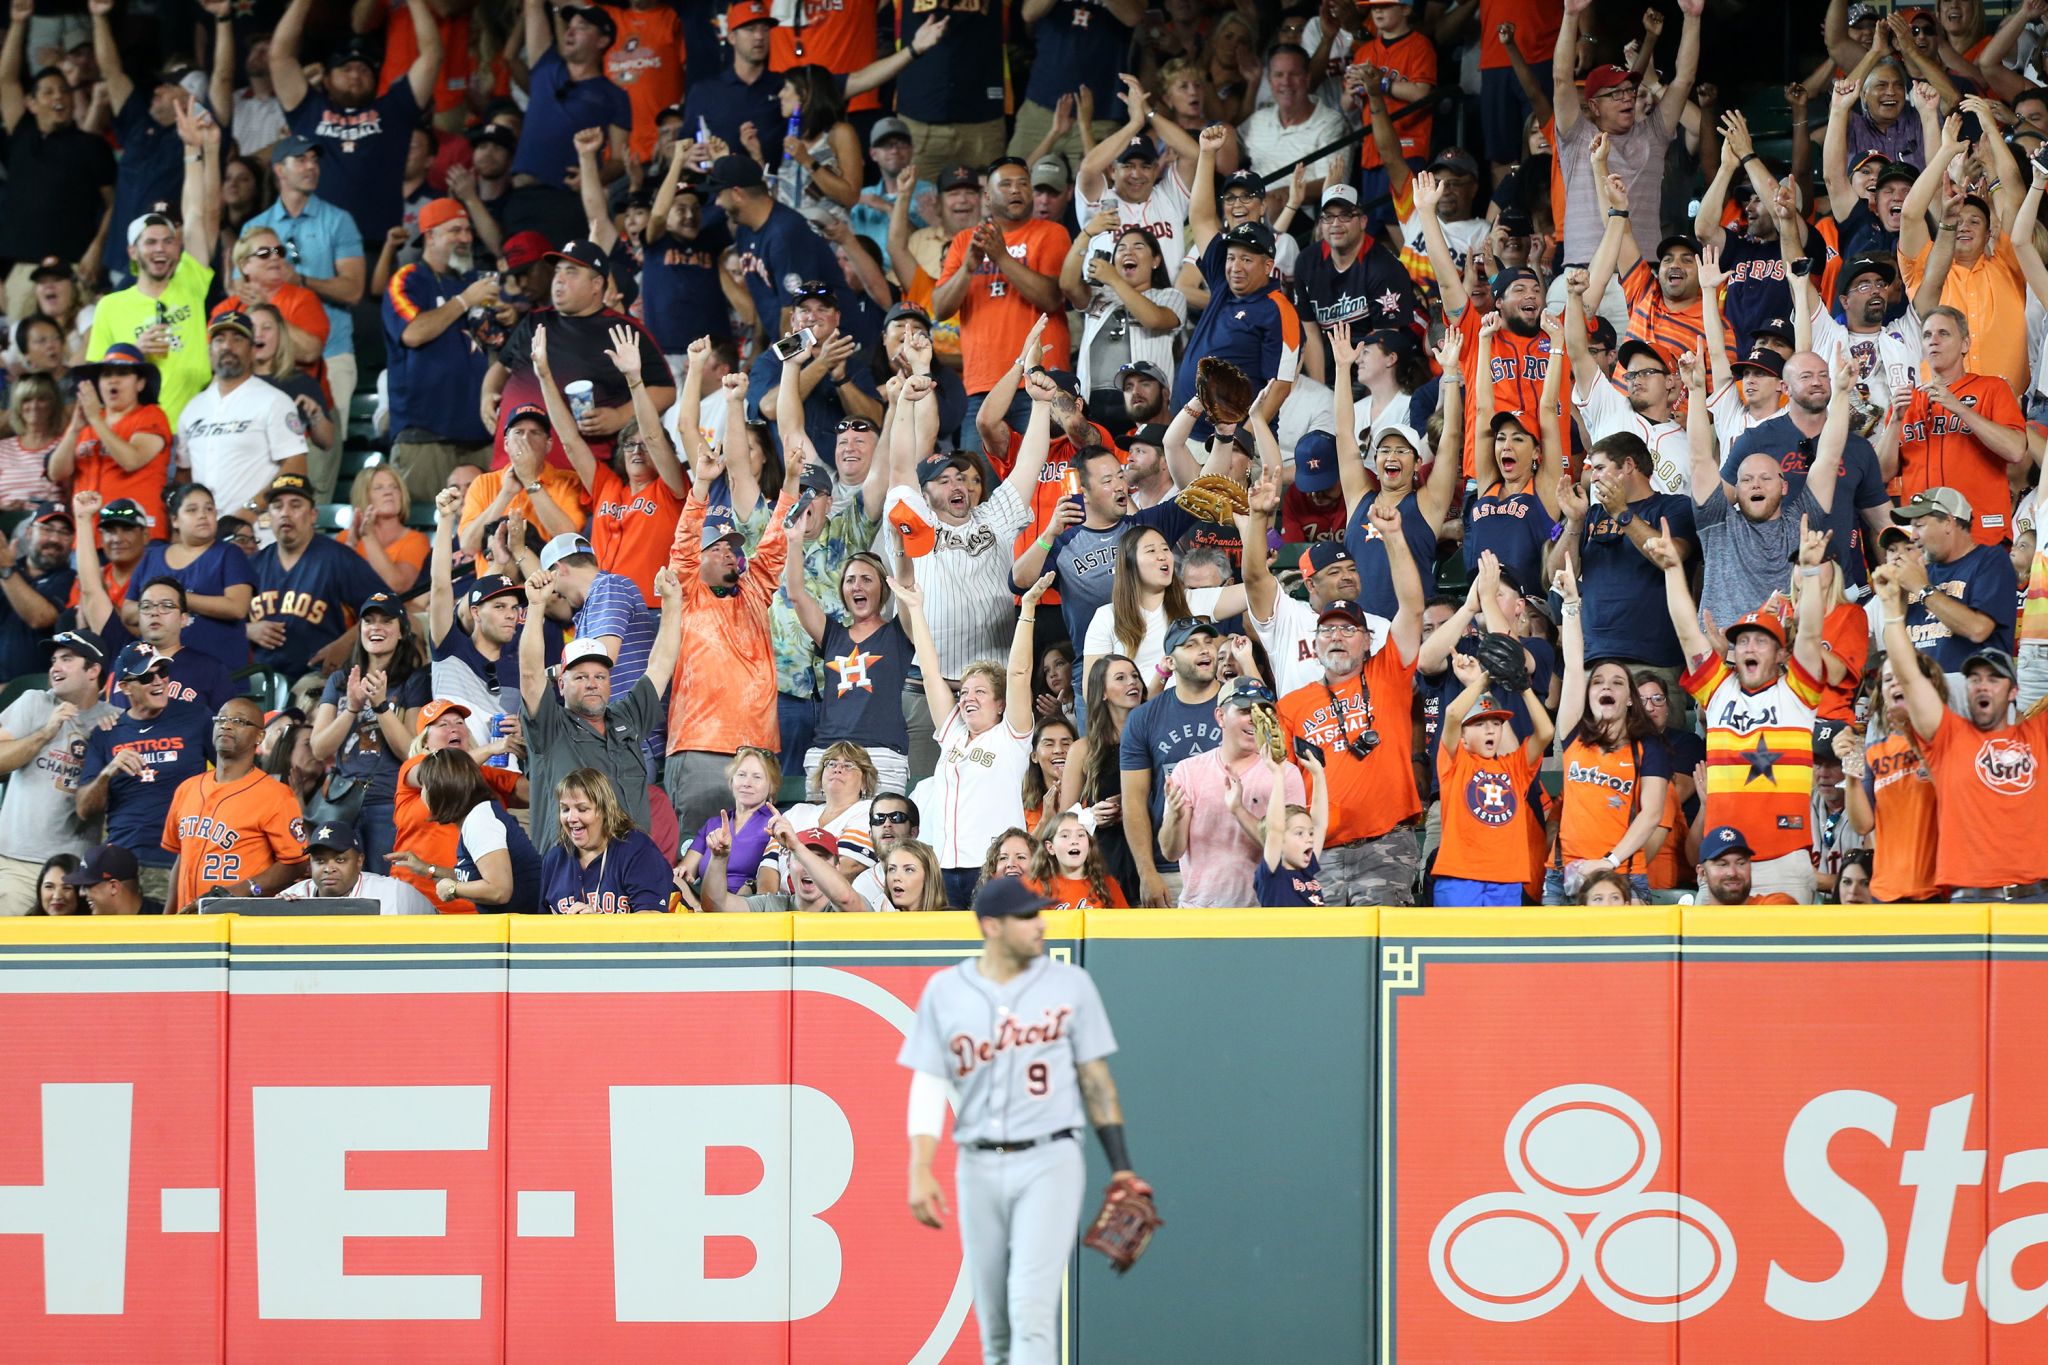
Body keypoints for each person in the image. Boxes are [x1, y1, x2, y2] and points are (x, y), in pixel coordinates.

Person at [900, 875, 1147, 1365]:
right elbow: (928, 1081)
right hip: (977, 1165)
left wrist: (1121, 1165)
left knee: (1031, 1313)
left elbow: (1095, 1079)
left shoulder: (1070, 984)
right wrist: (920, 1167)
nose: (1041, 925)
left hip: (1050, 1158)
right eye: (1028, 917)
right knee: (996, 1331)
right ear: (992, 926)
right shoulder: (946, 991)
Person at [1652, 512, 1833, 902]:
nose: (1749, 647)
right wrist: (1671, 569)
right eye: (1743, 640)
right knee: (1709, 964)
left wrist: (1812, 572)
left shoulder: (1798, 692)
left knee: (1783, 964)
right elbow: (1687, 629)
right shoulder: (1718, 689)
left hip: (1785, 859)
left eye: (1761, 640)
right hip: (1721, 859)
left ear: (1782, 652)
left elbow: (1813, 632)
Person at [1276, 501, 1427, 907]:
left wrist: (1393, 538)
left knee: (1377, 947)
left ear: (1367, 639)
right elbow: (1284, 787)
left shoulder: (1388, 674)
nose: (1337, 637)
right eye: (1328, 631)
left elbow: (1412, 608)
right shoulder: (1290, 706)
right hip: (1318, 850)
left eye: (1348, 629)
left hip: (1384, 846)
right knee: (1323, 958)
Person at [895, 569, 1043, 908]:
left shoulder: (1011, 736)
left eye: (979, 691)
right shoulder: (954, 734)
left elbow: (1019, 673)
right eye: (963, 692)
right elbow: (931, 674)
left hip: (991, 866)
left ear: (1000, 703)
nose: (967, 698)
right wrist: (916, 609)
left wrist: (1029, 610)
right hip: (944, 867)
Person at [518, 565, 680, 859]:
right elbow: (530, 674)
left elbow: (660, 666)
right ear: (562, 684)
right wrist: (537, 606)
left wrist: (671, 604)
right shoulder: (549, 726)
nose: (593, 684)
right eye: (580, 677)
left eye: (600, 676)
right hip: (569, 874)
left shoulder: (627, 717)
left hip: (629, 871)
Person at [663, 479, 795, 839]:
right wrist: (702, 485)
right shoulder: (686, 594)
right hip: (701, 746)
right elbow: (684, 544)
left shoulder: (753, 591)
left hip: (759, 750)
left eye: (731, 547)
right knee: (695, 856)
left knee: (755, 858)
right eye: (716, 547)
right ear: (698, 559)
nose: (728, 553)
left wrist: (792, 484)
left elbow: (774, 546)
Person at [85, 101, 220, 426]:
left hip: (197, 428)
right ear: (133, 251)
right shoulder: (111, 306)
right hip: (138, 433)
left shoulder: (190, 279)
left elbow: (198, 213)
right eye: (150, 242)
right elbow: (96, 378)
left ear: (178, 249)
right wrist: (133, 352)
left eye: (168, 241)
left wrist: (192, 151)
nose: (160, 248)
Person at [1547, 560, 1674, 904]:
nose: (1607, 686)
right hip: (1564, 875)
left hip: (1623, 874)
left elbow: (1650, 814)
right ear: (1589, 696)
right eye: (1599, 682)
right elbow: (1574, 668)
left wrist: (1610, 862)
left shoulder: (1650, 748)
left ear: (1630, 700)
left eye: (1618, 682)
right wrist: (1572, 603)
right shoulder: (1574, 734)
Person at [272, 0, 439, 245]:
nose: (355, 75)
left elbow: (432, 54)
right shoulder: (308, 109)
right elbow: (279, 55)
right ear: (326, 80)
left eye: (364, 69)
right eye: (346, 68)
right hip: (316, 244)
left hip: (377, 245)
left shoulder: (395, 110)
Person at [932, 157, 1073, 443]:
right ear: (987, 196)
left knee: (1042, 483)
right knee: (979, 485)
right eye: (1006, 184)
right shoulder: (964, 241)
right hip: (983, 386)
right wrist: (968, 267)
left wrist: (1001, 257)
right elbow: (941, 308)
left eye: (1023, 184)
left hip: (1040, 383)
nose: (1016, 190)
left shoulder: (1052, 233)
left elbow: (1050, 298)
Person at [554, 323, 688, 605]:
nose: (637, 451)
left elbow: (653, 434)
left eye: (646, 446)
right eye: (630, 444)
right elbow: (570, 442)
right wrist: (543, 374)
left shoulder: (672, 489)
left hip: (651, 611)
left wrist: (635, 379)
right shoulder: (608, 486)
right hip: (602, 609)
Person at [76, 642, 216, 906]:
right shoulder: (108, 732)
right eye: (146, 676)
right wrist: (108, 772)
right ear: (125, 686)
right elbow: (84, 809)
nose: (158, 681)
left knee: (170, 943)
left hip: (177, 860)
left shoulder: (197, 717)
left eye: (162, 672)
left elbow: (234, 773)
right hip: (119, 866)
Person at [0, 0, 116, 312]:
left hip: (75, 269)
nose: (58, 98)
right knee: (24, 354)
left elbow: (113, 204)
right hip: (22, 270)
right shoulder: (22, 133)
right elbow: (6, 79)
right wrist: (18, 23)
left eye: (63, 91)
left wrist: (97, 249)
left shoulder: (91, 145)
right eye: (49, 92)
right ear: (31, 103)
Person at [384, 196, 501, 502]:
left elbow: (497, 341)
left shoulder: (477, 281)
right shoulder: (408, 279)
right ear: (430, 235)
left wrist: (508, 317)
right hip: (425, 436)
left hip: (480, 434)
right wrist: (464, 301)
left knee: (487, 529)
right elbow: (413, 333)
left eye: (467, 230)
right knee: (428, 525)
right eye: (455, 231)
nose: (465, 238)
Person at [1880, 305, 2026, 548]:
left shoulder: (1992, 389)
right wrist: (1895, 421)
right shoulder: (1907, 402)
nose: (1933, 341)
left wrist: (1958, 407)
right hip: (1923, 543)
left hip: (1981, 537)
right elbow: (1882, 474)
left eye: (1943, 334)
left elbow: (2015, 450)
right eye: (1927, 335)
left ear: (1965, 344)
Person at [1157, 677, 1305, 908]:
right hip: (1201, 912)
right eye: (1246, 710)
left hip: (1266, 911)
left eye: (1264, 711)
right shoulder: (1188, 770)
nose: (1256, 719)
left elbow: (1289, 854)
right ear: (1220, 716)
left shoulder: (1285, 773)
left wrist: (1238, 810)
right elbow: (1171, 852)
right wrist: (1174, 819)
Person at [307, 592, 428, 871]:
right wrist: (351, 708)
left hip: (388, 801)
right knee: (338, 889)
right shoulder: (340, 680)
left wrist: (381, 706)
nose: (376, 627)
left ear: (402, 632)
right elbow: (319, 748)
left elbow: (411, 751)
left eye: (386, 621)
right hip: (341, 800)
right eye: (369, 621)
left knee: (383, 887)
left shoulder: (414, 681)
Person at [0, 630, 115, 911]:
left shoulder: (114, 720)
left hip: (75, 871)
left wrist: (116, 737)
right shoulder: (34, 702)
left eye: (66, 659)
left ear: (93, 670)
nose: (55, 667)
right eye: (53, 660)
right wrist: (46, 732)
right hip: (16, 863)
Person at [160, 695, 309, 912]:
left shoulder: (276, 795)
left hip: (242, 923)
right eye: (220, 720)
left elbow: (297, 863)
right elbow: (182, 858)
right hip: (189, 923)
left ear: (259, 736)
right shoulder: (186, 789)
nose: (226, 726)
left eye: (239, 721)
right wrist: (168, 917)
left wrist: (246, 888)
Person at [1433, 650, 1557, 906]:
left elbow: (1546, 732)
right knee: (1459, 947)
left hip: (1507, 877)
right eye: (1479, 724)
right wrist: (1485, 678)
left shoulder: (1514, 767)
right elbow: (1454, 713)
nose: (1490, 729)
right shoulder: (1455, 760)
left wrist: (1523, 688)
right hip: (1460, 876)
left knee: (1500, 947)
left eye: (1496, 723)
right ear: (1463, 737)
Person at [1118, 617, 1223, 908]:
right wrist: (1146, 871)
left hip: (1235, 863)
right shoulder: (1144, 718)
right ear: (1170, 662)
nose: (1204, 651)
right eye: (1190, 645)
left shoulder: (1239, 704)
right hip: (1171, 868)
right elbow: (1134, 802)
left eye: (1208, 643)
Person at [389, 699, 529, 911]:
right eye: (442, 724)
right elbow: (439, 774)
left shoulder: (487, 776)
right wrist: (492, 749)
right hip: (415, 901)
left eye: (459, 723)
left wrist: (531, 748)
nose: (453, 728)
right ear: (425, 741)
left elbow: (543, 793)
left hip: (478, 905)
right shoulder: (413, 767)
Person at [247, 473, 389, 681]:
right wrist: (247, 629)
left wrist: (347, 643)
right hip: (261, 679)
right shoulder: (254, 564)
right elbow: (223, 620)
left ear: (313, 515)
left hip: (317, 677)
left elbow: (386, 605)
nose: (285, 513)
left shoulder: (336, 557)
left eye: (295, 505)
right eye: (277, 506)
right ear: (269, 516)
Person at [175, 308, 311, 524]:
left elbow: (296, 464)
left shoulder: (274, 400)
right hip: (205, 534)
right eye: (219, 340)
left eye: (238, 339)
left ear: (252, 350)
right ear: (210, 351)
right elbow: (184, 475)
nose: (227, 347)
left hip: (257, 531)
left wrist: (252, 509)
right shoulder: (192, 409)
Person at [1839, 650, 1945, 903]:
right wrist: (1851, 764)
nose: (1895, 682)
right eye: (1887, 679)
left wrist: (1911, 734)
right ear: (1882, 693)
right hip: (1884, 892)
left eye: (1902, 675)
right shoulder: (1875, 750)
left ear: (1926, 684)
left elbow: (1953, 795)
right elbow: (1863, 825)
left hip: (1935, 890)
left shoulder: (1947, 738)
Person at [47, 341, 172, 533]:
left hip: (138, 535)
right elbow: (57, 473)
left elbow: (131, 460)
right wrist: (74, 430)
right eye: (106, 375)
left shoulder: (152, 415)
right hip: (90, 535)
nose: (113, 380)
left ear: (140, 383)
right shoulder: (87, 422)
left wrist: (96, 419)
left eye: (122, 374)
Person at [1891, 485, 2016, 672]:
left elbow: (1978, 629)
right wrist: (1893, 598)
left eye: (1919, 525)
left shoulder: (1991, 560)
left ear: (1948, 522)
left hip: (1973, 689)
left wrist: (1922, 589)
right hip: (1923, 689)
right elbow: (1896, 648)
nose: (1914, 536)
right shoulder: (1922, 572)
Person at [417, 745, 542, 913]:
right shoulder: (478, 816)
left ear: (441, 788)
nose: (421, 794)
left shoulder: (480, 821)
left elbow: (500, 891)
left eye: (424, 786)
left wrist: (454, 889)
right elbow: (474, 877)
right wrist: (428, 869)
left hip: (526, 933)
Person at [538, 767, 671, 914]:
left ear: (605, 811)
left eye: (582, 809)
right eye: (565, 809)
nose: (571, 818)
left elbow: (652, 920)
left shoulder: (636, 849)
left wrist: (599, 926)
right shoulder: (554, 859)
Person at [699, 811, 867, 913]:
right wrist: (719, 858)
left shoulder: (854, 903)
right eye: (803, 858)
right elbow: (715, 905)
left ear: (837, 868)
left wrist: (798, 849)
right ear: (787, 863)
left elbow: (846, 899)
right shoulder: (771, 905)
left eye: (820, 858)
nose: (810, 867)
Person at [276, 820, 436, 914]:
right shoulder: (291, 898)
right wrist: (276, 911)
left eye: (340, 860)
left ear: (359, 861)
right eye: (320, 861)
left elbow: (435, 922)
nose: (328, 868)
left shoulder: (393, 892)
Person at [0, 503, 76, 678]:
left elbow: (40, 617)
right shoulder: (9, 567)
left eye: (63, 533)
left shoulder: (71, 580)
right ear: (28, 532)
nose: (55, 539)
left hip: (33, 691)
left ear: (72, 540)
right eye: (47, 529)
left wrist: (6, 570)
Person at [1255, 741, 1329, 907]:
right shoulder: (1273, 875)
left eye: (1309, 833)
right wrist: (1278, 776)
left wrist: (1318, 775)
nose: (1309, 839)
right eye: (1299, 833)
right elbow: (1274, 829)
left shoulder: (1307, 869)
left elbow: (1319, 823)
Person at [1026, 809, 1128, 910]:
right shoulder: (1036, 887)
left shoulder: (1108, 885)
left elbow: (1124, 924)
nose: (1074, 841)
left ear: (1089, 844)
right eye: (1065, 835)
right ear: (1050, 847)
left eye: (1080, 835)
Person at [1694, 825, 1800, 906]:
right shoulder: (1692, 923)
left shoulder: (1776, 905)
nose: (1732, 872)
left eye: (1741, 863)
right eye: (1722, 864)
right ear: (1703, 873)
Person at [64, 843, 164, 916]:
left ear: (113, 887)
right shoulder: (90, 926)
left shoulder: (164, 921)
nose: (81, 893)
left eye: (87, 885)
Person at [882, 837, 951, 912]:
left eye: (909, 870)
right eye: (892, 869)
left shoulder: (953, 920)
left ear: (928, 877)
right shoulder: (877, 920)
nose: (896, 877)